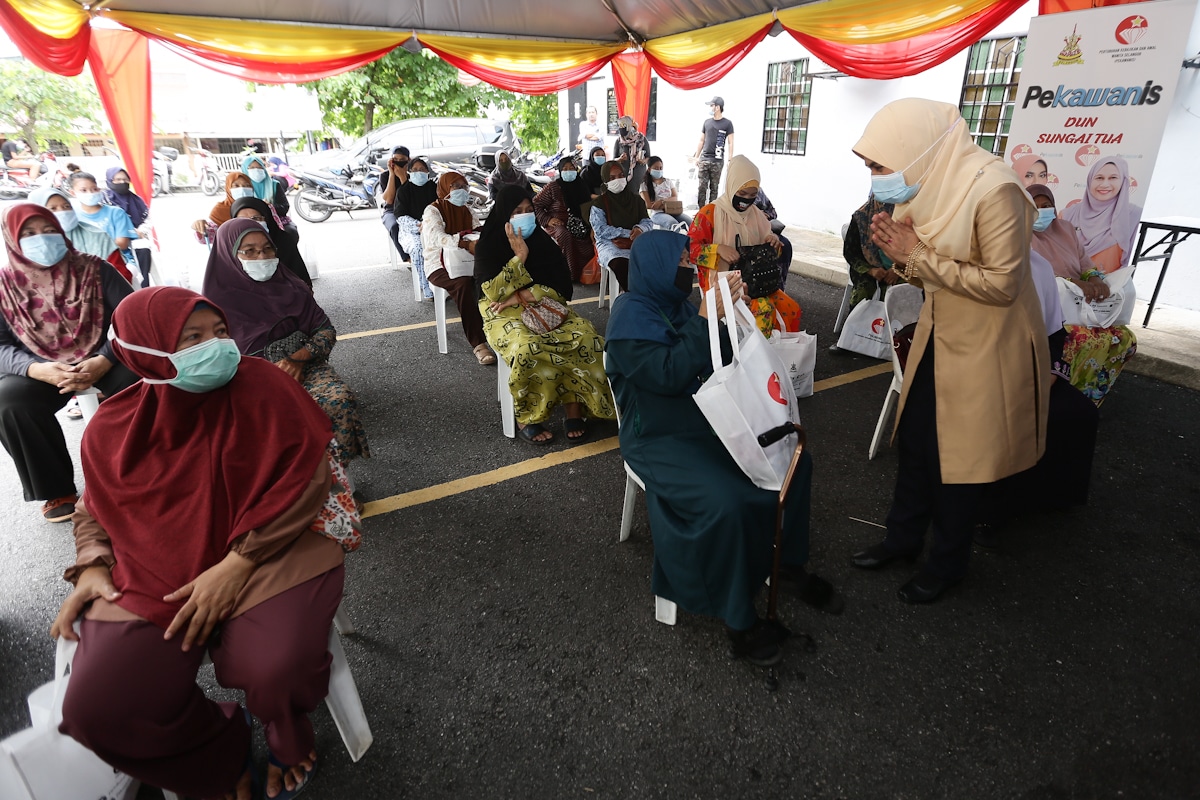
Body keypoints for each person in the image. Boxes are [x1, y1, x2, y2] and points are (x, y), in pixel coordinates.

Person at [51, 286, 349, 800]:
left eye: (219, 332)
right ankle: (216, 753)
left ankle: (287, 735)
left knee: (276, 666)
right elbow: (94, 509)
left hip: (271, 547)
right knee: (98, 708)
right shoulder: (112, 427)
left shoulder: (265, 386)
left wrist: (237, 564)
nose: (217, 347)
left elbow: (307, 482)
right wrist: (93, 566)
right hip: (158, 569)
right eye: (192, 339)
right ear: (144, 352)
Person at [605, 230, 842, 665]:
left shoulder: (677, 303)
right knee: (727, 499)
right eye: (679, 261)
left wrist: (729, 313)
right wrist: (702, 320)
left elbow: (723, 357)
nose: (686, 268)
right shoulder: (629, 318)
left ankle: (785, 565)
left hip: (710, 417)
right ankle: (738, 618)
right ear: (655, 266)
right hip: (658, 436)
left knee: (793, 460)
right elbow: (669, 375)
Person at [848, 98, 1049, 604]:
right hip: (940, 329)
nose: (875, 178)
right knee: (915, 439)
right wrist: (902, 259)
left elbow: (1003, 285)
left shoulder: (996, 190)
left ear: (915, 150)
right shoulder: (928, 184)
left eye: (878, 164)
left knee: (959, 459)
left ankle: (947, 563)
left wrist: (913, 254)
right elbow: (930, 269)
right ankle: (902, 540)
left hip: (987, 342)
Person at [0, 203, 138, 522]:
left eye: (50, 230)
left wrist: (104, 359)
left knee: (144, 379)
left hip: (106, 354)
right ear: (12, 241)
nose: (43, 239)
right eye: (30, 234)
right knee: (10, 401)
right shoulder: (5, 286)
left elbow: (133, 319)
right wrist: (36, 369)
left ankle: (142, 467)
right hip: (41, 367)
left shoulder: (96, 269)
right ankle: (55, 488)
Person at [202, 219, 369, 466]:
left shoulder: (293, 286)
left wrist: (297, 360)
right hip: (246, 380)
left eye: (267, 248)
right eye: (249, 251)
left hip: (305, 364)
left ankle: (337, 485)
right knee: (260, 423)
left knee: (337, 400)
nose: (261, 257)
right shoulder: (213, 307)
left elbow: (325, 330)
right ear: (229, 253)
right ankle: (288, 491)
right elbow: (213, 363)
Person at [475, 186, 615, 444]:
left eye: (529, 210)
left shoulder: (543, 243)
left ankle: (575, 407)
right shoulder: (489, 244)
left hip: (546, 306)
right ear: (504, 215)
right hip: (502, 313)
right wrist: (520, 257)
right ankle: (528, 416)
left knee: (586, 338)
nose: (525, 216)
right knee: (527, 347)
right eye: (517, 212)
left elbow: (563, 287)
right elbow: (492, 294)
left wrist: (528, 294)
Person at [1027, 183, 1136, 404]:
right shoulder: (1018, 234)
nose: (1041, 211)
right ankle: (1058, 397)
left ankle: (1089, 396)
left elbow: (1086, 264)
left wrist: (1094, 279)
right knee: (1077, 339)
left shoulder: (1066, 229)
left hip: (1083, 305)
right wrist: (1071, 282)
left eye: (1046, 206)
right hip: (1047, 310)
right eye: (1034, 206)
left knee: (1124, 338)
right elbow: (1031, 277)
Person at [688, 155, 800, 336]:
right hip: (724, 284)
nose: (746, 200)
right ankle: (756, 359)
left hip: (757, 282)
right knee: (763, 310)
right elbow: (690, 249)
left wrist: (773, 243)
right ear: (731, 186)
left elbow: (771, 249)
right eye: (741, 194)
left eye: (752, 195)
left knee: (790, 308)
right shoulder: (710, 213)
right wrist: (718, 249)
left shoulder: (756, 214)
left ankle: (776, 355)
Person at [421, 171, 495, 365]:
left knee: (491, 277)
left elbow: (478, 232)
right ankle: (479, 344)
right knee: (462, 285)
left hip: (466, 260)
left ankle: (496, 329)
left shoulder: (467, 210)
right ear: (445, 188)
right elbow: (437, 237)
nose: (462, 191)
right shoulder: (433, 210)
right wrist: (463, 243)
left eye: (465, 187)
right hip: (438, 263)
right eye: (456, 186)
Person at [1061, 156, 1143, 273]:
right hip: (1068, 286)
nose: (1105, 184)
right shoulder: (1068, 215)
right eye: (1099, 178)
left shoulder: (1134, 216)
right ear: (1090, 180)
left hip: (1112, 288)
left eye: (1113, 178)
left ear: (1123, 182)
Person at [590, 162, 653, 292]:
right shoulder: (599, 203)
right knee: (620, 264)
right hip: (609, 243)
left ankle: (651, 297)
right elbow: (600, 230)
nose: (618, 180)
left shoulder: (636, 200)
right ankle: (635, 297)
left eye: (620, 176)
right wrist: (628, 232)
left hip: (636, 241)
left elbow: (647, 221)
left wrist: (640, 229)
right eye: (612, 178)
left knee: (655, 260)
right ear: (606, 181)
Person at [532, 155, 594, 281]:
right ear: (560, 171)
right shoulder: (554, 187)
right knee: (564, 235)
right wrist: (548, 220)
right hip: (559, 224)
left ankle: (585, 272)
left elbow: (589, 208)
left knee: (591, 236)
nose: (569, 171)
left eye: (571, 168)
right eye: (565, 169)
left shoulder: (582, 185)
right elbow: (535, 204)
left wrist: (593, 226)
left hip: (580, 223)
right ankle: (569, 274)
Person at [28, 187, 122, 268]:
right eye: (53, 208)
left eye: (66, 206)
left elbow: (119, 271)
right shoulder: (31, 245)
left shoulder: (98, 236)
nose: (62, 212)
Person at [230, 196, 313, 288]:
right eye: (243, 220)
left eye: (256, 218)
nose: (250, 223)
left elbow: (299, 275)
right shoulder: (230, 246)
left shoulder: (283, 240)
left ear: (267, 218)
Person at [842, 194, 904, 309]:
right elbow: (850, 252)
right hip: (868, 271)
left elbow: (915, 252)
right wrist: (871, 270)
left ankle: (897, 327)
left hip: (902, 270)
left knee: (904, 292)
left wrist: (897, 269)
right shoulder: (861, 218)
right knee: (864, 291)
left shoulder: (906, 219)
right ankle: (859, 325)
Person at [393, 157, 439, 300]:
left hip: (432, 227)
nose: (419, 173)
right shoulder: (404, 190)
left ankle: (443, 284)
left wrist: (429, 224)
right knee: (418, 248)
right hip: (411, 231)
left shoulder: (434, 188)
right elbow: (400, 216)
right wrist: (418, 225)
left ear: (427, 172)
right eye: (415, 170)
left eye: (422, 170)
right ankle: (427, 288)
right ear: (410, 172)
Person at [103, 167, 153, 287]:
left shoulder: (136, 200)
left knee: (143, 248)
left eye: (125, 180)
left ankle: (144, 287)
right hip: (111, 241)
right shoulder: (103, 200)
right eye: (118, 180)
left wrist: (141, 231)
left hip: (135, 240)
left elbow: (147, 221)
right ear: (109, 181)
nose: (122, 183)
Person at [69, 172, 138, 260]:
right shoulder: (71, 216)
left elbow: (122, 244)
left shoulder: (116, 213)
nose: (90, 193)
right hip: (84, 263)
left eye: (94, 189)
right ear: (73, 192)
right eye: (83, 190)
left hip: (118, 261)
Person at [691, 96, 735, 208]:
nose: (710, 108)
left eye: (712, 105)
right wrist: (697, 157)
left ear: (718, 107)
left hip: (717, 160)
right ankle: (701, 211)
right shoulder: (707, 122)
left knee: (714, 188)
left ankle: (712, 211)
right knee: (702, 187)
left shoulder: (727, 124)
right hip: (704, 159)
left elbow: (730, 142)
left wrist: (730, 159)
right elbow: (701, 140)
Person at [191, 171, 256, 240]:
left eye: (247, 185)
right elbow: (210, 236)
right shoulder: (219, 210)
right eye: (236, 186)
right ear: (228, 188)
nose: (242, 189)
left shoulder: (260, 207)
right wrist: (200, 227)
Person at [241, 153, 293, 233]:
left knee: (290, 232)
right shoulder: (243, 188)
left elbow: (285, 207)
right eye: (252, 168)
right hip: (250, 223)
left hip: (274, 221)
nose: (256, 170)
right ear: (245, 170)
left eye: (259, 167)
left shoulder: (274, 185)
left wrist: (269, 206)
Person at [639, 156, 690, 229]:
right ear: (649, 169)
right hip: (657, 214)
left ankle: (691, 240)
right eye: (656, 168)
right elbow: (648, 205)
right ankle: (675, 240)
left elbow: (675, 197)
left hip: (673, 210)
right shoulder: (644, 185)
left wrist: (661, 202)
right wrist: (666, 204)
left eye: (661, 168)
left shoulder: (668, 182)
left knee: (690, 223)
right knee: (673, 225)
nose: (659, 170)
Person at [379, 146, 411, 259]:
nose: (398, 162)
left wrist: (403, 177)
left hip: (410, 209)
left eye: (402, 159)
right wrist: (392, 175)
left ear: (408, 160)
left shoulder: (412, 176)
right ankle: (408, 259)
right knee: (394, 226)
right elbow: (389, 199)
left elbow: (411, 198)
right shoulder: (385, 176)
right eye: (395, 159)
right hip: (391, 210)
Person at [613, 115, 650, 196]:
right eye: (620, 126)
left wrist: (643, 160)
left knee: (637, 199)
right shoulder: (619, 141)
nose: (621, 129)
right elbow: (613, 160)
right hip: (622, 177)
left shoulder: (642, 139)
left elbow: (649, 158)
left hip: (638, 177)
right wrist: (620, 159)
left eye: (624, 126)